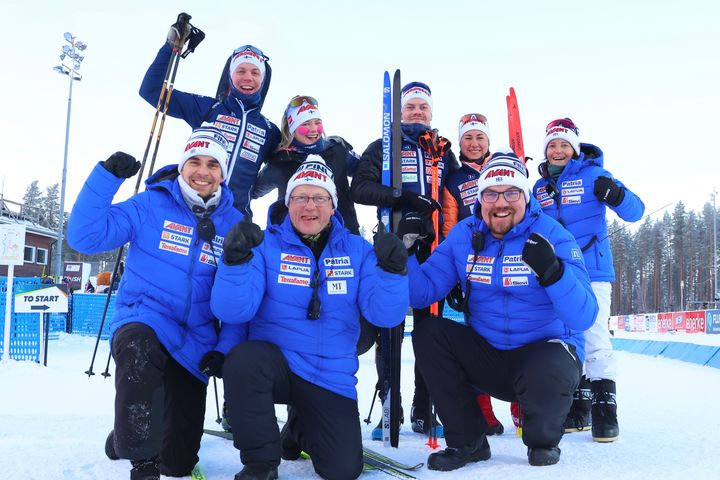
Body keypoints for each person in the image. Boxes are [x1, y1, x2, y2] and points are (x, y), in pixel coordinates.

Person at [210, 156, 409, 480]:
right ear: (288, 203)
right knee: (244, 360)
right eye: (300, 197)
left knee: (343, 470)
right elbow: (233, 311)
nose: (309, 206)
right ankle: (261, 462)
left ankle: (298, 431)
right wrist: (234, 262)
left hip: (330, 374)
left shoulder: (358, 250)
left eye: (319, 197)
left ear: (333, 205)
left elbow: (383, 316)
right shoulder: (264, 244)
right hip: (276, 366)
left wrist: (393, 273)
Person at [67, 127, 244, 480]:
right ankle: (142, 466)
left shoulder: (235, 223)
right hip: (144, 320)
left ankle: (124, 437)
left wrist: (225, 348)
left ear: (223, 173)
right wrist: (106, 178)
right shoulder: (150, 204)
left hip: (195, 343)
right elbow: (85, 236)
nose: (202, 171)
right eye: (194, 161)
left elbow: (241, 296)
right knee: (139, 347)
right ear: (181, 166)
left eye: (212, 164)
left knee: (177, 463)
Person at [405, 150, 598, 470]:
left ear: (524, 195)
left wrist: (554, 272)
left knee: (550, 365)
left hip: (542, 356)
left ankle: (542, 439)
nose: (501, 202)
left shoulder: (552, 234)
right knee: (429, 332)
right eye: (491, 193)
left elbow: (584, 316)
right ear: (480, 198)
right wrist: (407, 254)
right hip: (489, 355)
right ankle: (468, 441)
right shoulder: (465, 234)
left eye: (511, 192)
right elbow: (422, 292)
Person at [351, 81, 457, 439]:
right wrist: (403, 199)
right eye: (410, 108)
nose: (417, 113)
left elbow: (457, 192)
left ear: (431, 114)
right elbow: (360, 188)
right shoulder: (383, 146)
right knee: (389, 326)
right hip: (393, 242)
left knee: (430, 329)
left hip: (434, 247)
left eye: (423, 108)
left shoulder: (442, 151)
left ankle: (424, 404)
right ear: (399, 114)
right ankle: (389, 405)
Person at [533, 118, 645, 442]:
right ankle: (577, 407)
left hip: (593, 270)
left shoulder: (594, 175)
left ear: (575, 148)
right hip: (558, 274)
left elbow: (635, 211)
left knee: (595, 334)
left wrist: (617, 194)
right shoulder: (539, 188)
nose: (557, 150)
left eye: (564, 145)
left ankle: (604, 410)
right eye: (552, 145)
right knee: (567, 336)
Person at [139, 14, 280, 217]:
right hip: (191, 214)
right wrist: (170, 47)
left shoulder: (269, 130)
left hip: (236, 224)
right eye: (240, 71)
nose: (247, 77)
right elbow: (151, 91)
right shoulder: (209, 108)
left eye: (255, 73)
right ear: (230, 76)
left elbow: (285, 165)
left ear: (263, 79)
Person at [440, 113, 506, 436]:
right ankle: (484, 412)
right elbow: (450, 230)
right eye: (468, 138)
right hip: (472, 266)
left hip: (507, 261)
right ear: (461, 142)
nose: (474, 143)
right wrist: (454, 274)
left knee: (510, 329)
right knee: (475, 339)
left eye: (480, 137)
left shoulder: (504, 168)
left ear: (488, 141)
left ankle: (524, 404)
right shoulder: (453, 179)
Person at [252, 95, 361, 234]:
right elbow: (252, 190)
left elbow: (367, 172)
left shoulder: (338, 151)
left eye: (317, 122)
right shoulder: (281, 161)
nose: (313, 129)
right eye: (305, 124)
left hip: (343, 238)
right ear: (291, 128)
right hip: (293, 243)